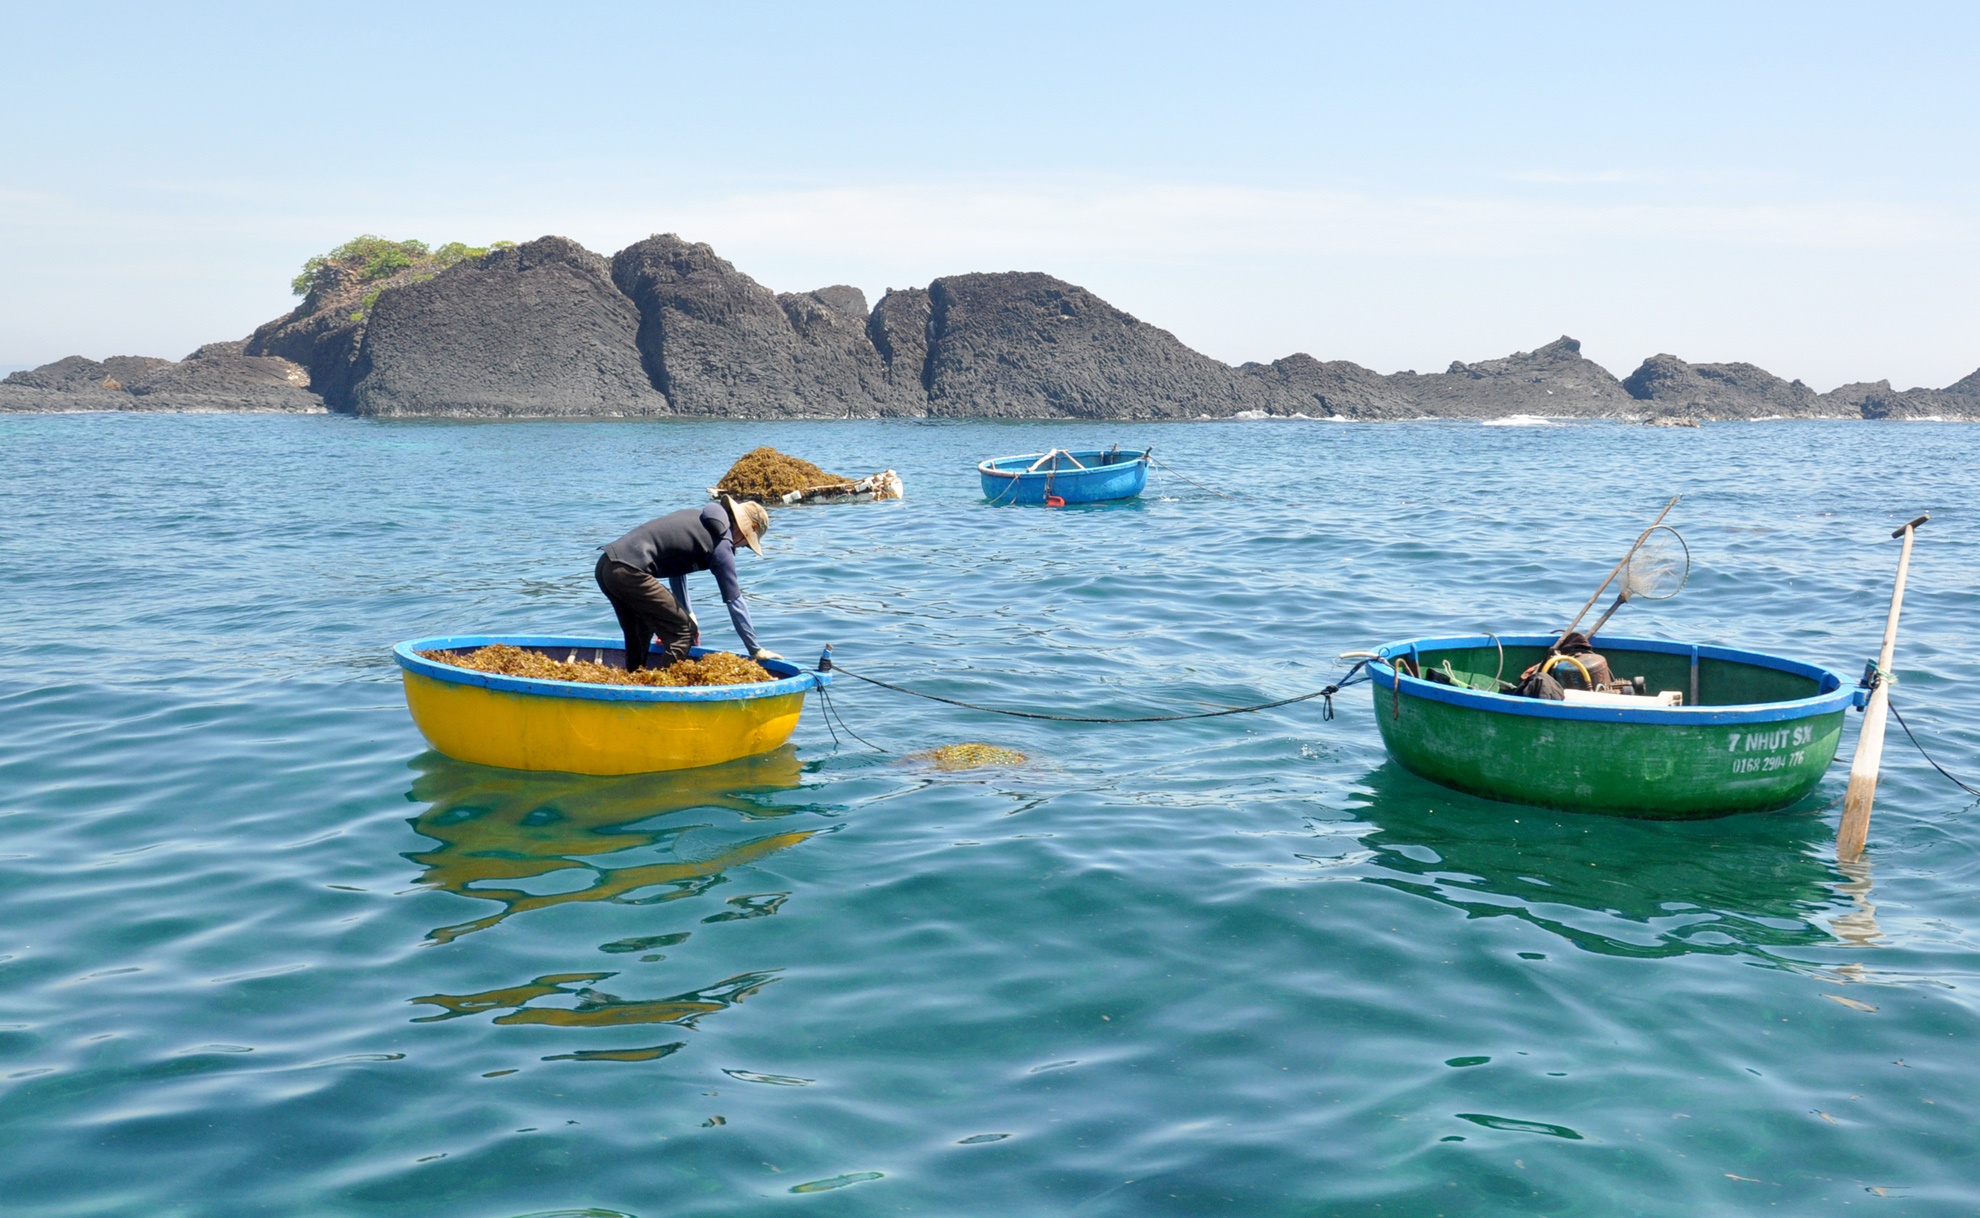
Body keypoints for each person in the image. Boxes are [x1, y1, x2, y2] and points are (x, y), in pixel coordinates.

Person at [594, 497, 783, 671]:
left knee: (640, 629)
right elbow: (735, 601)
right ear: (748, 528)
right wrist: (755, 649)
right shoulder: (722, 545)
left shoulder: (700, 519)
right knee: (684, 632)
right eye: (747, 543)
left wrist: (688, 613)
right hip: (629, 571)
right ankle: (660, 688)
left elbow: (676, 570)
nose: (742, 547)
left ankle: (634, 681)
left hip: (607, 566)